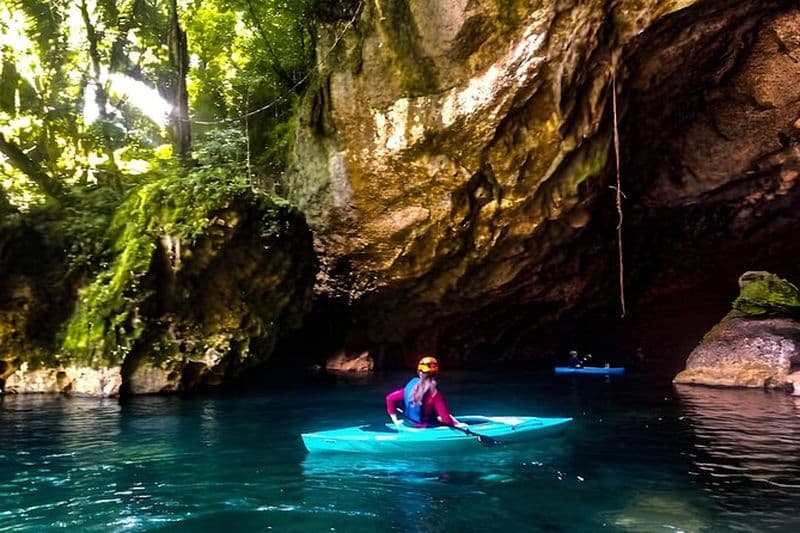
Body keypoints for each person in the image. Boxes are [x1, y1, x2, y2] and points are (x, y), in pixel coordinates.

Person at [385, 356, 465, 428]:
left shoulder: (411, 387)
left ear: (419, 372)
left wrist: (395, 421)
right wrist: (457, 424)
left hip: (409, 424)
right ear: (435, 373)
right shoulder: (434, 393)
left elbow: (389, 398)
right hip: (426, 427)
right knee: (450, 419)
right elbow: (446, 420)